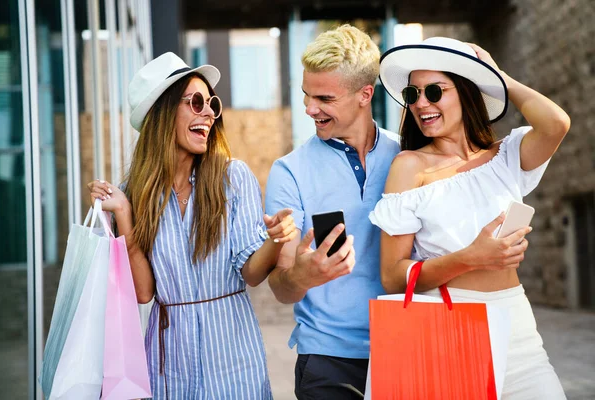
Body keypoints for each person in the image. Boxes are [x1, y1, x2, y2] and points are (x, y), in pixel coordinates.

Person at [88, 52, 296, 399]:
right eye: (196, 102)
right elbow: (144, 293)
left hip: (232, 355)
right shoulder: (133, 195)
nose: (210, 113)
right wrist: (124, 215)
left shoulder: (233, 178)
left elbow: (252, 273)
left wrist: (275, 240)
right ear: (163, 112)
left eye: (212, 103)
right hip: (169, 361)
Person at [370, 37, 570, 398]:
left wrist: (500, 79)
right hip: (450, 331)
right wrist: (470, 258)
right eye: (413, 94)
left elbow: (556, 123)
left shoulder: (506, 156)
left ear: (466, 90)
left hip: (519, 329)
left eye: (434, 91)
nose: (421, 103)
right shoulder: (409, 167)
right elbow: (391, 276)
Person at [264, 25, 401, 398]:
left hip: (406, 348)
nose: (310, 109)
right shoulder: (289, 171)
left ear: (364, 94)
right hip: (328, 361)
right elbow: (281, 286)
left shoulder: (407, 158)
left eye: (324, 98)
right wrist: (304, 277)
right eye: (306, 95)